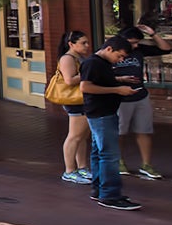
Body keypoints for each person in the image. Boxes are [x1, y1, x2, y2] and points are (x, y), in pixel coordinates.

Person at [79, 36, 143, 210]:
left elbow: (100, 81)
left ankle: (99, 190)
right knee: (110, 155)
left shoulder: (103, 63)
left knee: (99, 152)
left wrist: (120, 81)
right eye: (119, 56)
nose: (120, 60)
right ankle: (111, 195)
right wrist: (117, 89)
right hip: (101, 114)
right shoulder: (93, 63)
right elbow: (85, 86)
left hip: (103, 112)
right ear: (109, 49)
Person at [115, 24, 170, 179]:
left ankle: (146, 164)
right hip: (120, 97)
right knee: (119, 131)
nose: (135, 45)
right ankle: (119, 161)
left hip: (140, 95)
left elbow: (166, 49)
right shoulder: (110, 51)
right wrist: (119, 80)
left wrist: (153, 33)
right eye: (132, 42)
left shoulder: (139, 50)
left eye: (137, 42)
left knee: (144, 130)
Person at [56, 30, 93, 185]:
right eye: (83, 43)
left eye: (87, 42)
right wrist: (89, 73)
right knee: (74, 136)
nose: (87, 46)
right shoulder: (67, 58)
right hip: (75, 101)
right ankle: (69, 170)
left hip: (83, 99)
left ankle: (82, 166)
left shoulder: (80, 57)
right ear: (71, 44)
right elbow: (69, 80)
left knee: (82, 136)